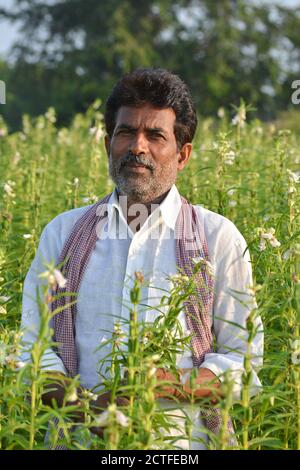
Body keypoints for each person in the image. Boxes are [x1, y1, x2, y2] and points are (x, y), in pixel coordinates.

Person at [20, 67, 264, 450]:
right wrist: (88, 410)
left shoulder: (218, 239)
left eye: (155, 135)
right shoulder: (63, 234)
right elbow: (30, 351)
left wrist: (170, 385)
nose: (137, 146)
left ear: (183, 155)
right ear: (107, 145)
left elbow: (243, 363)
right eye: (125, 132)